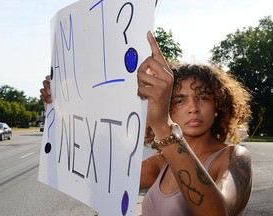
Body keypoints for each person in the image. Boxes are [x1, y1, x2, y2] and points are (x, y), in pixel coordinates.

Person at [40, 31, 253, 216]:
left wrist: (163, 126)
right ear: (168, 107)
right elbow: (94, 173)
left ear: (218, 105)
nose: (193, 107)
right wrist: (59, 108)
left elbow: (218, 213)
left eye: (203, 97)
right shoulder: (162, 162)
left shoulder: (235, 157)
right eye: (179, 99)